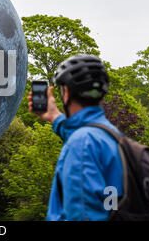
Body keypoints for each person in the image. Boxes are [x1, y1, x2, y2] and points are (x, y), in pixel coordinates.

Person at [27, 54, 123, 221]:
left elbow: (83, 214)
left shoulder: (81, 145)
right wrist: (54, 116)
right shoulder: (113, 136)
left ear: (67, 93)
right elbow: (84, 132)